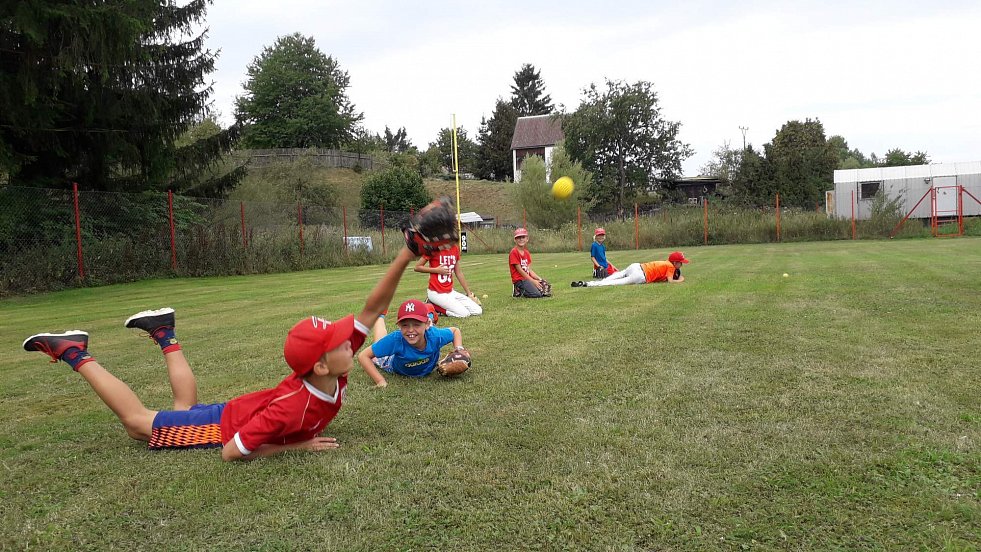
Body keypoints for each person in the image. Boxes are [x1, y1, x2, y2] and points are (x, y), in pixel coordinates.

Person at [21, 200, 458, 461]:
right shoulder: (294, 406)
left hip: (234, 409)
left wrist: (405, 253)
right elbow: (233, 451)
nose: (352, 342)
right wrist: (297, 448)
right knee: (139, 425)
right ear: (322, 363)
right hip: (221, 429)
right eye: (341, 342)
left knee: (182, 406)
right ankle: (74, 352)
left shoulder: (333, 365)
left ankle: (163, 333)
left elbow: (372, 306)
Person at [357, 299, 467, 387]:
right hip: (392, 364)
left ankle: (430, 312)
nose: (410, 330)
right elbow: (363, 356)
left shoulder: (435, 336)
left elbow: (455, 331)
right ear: (399, 326)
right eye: (405, 325)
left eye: (416, 324)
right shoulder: (396, 339)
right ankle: (379, 315)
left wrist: (459, 349)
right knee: (380, 348)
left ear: (427, 324)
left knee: (383, 344)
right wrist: (380, 381)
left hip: (428, 356)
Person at [414, 243, 482, 318]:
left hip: (450, 292)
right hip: (436, 292)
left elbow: (458, 272)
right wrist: (436, 270)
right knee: (464, 314)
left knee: (477, 311)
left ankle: (442, 305)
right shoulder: (433, 248)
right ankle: (433, 306)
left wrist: (469, 293)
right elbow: (417, 267)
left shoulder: (455, 248)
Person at [571, 251, 689, 287]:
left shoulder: (665, 263)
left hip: (636, 266)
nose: (681, 265)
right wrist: (680, 280)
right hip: (641, 276)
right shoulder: (670, 266)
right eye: (680, 263)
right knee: (615, 282)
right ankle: (586, 284)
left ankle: (586, 283)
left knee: (615, 276)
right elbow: (670, 281)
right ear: (675, 262)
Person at [509, 227, 551, 298]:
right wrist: (533, 281)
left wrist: (539, 279)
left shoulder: (526, 253)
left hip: (527, 279)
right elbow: (520, 271)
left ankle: (525, 288)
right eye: (518, 237)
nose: (521, 239)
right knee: (537, 294)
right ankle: (517, 289)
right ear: (515, 240)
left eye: (523, 237)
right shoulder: (514, 252)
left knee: (545, 290)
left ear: (527, 239)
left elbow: (529, 270)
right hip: (519, 280)